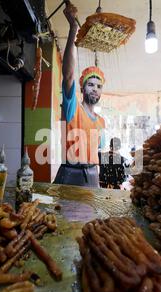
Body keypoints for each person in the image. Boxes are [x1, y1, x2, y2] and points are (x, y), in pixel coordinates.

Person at [53, 1, 106, 188]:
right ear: (82, 88)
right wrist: (73, 29)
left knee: (91, 218)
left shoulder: (101, 121)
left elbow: (96, 152)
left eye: (99, 86)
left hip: (92, 175)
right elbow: (67, 76)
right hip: (71, 174)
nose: (95, 89)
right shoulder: (72, 108)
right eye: (90, 84)